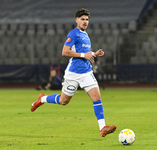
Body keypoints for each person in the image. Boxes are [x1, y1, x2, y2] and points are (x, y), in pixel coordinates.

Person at [30, 8, 116, 137]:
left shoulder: (86, 35)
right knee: (63, 101)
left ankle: (102, 127)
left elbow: (85, 54)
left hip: (86, 73)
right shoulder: (73, 34)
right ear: (76, 20)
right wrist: (84, 55)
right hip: (73, 74)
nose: (85, 22)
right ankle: (42, 99)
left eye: (87, 19)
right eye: (82, 19)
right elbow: (65, 52)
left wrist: (94, 54)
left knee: (97, 97)